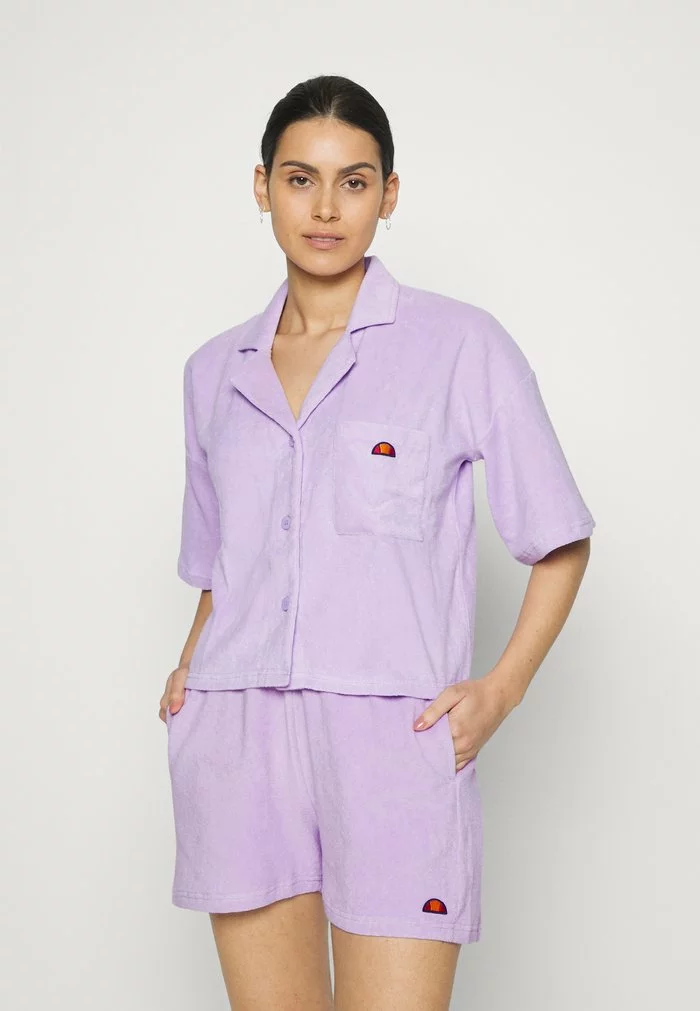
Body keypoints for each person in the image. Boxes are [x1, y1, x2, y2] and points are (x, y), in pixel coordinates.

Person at [160, 74, 595, 1011]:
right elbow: (219, 565)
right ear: (262, 187)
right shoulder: (212, 372)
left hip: (393, 742)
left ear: (388, 194)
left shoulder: (460, 346)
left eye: (353, 182)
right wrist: (190, 670)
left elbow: (559, 537)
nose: (325, 208)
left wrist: (500, 690)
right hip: (239, 736)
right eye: (300, 178)